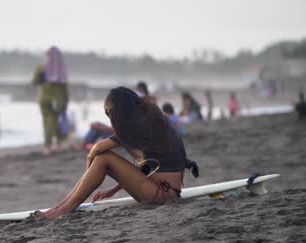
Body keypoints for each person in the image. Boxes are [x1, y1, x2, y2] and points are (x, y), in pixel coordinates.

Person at [38, 87, 198, 219]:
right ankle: (62, 206)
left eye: (110, 115)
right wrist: (113, 190)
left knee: (102, 159)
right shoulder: (149, 118)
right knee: (102, 160)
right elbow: (151, 168)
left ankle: (65, 208)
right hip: (166, 192)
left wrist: (89, 170)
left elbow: (96, 150)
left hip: (162, 195)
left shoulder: (138, 125)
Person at [32, 46, 69, 155]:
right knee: (56, 122)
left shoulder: (41, 67)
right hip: (58, 99)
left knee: (47, 122)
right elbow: (65, 87)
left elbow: (34, 82)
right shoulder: (61, 68)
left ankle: (47, 146)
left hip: (44, 98)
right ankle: (58, 145)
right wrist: (66, 101)